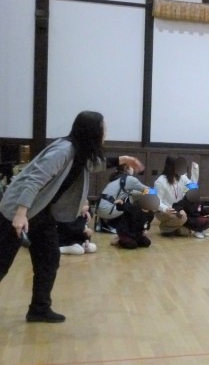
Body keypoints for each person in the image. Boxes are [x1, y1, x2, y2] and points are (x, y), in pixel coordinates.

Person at [0, 111, 144, 323]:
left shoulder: (80, 152)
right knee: (2, 262)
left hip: (42, 213)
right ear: (92, 132)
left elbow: (94, 164)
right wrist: (21, 214)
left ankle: (39, 309)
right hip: (18, 212)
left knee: (49, 260)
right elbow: (34, 180)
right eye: (103, 128)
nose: (106, 132)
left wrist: (123, 159)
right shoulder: (63, 151)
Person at [96, 163, 151, 233]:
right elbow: (148, 190)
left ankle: (107, 223)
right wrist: (155, 191)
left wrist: (143, 193)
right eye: (132, 167)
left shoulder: (117, 178)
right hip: (109, 209)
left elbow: (133, 193)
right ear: (126, 168)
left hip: (99, 209)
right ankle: (121, 226)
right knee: (135, 206)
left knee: (128, 199)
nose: (133, 169)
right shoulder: (130, 179)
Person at [154, 156, 191, 237]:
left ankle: (174, 228)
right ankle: (164, 228)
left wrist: (195, 173)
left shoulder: (182, 177)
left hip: (178, 208)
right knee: (183, 217)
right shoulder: (161, 181)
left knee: (185, 231)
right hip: (164, 210)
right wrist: (165, 209)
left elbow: (193, 186)